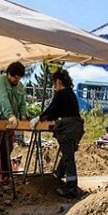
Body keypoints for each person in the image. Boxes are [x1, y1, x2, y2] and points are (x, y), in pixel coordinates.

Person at [30, 68, 84, 198]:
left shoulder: (61, 94)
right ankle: (58, 175)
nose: (54, 87)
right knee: (67, 154)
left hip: (68, 129)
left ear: (58, 81)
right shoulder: (70, 93)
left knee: (68, 157)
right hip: (76, 128)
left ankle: (71, 189)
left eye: (54, 84)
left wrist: (39, 118)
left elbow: (52, 110)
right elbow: (59, 111)